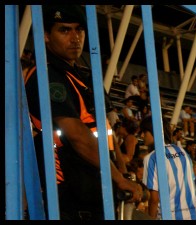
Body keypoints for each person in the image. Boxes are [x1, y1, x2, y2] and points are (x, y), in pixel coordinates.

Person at [25, 5, 142, 220]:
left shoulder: (83, 78)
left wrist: (122, 170)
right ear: (46, 36)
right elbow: (77, 134)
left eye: (79, 30)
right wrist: (119, 178)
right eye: (64, 30)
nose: (75, 38)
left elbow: (106, 129)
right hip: (67, 192)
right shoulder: (46, 76)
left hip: (96, 187)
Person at [139, 116, 196, 220]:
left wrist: (150, 218)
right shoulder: (182, 151)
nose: (142, 135)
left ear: (154, 132)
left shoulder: (151, 158)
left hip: (171, 215)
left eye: (144, 132)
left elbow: (154, 198)